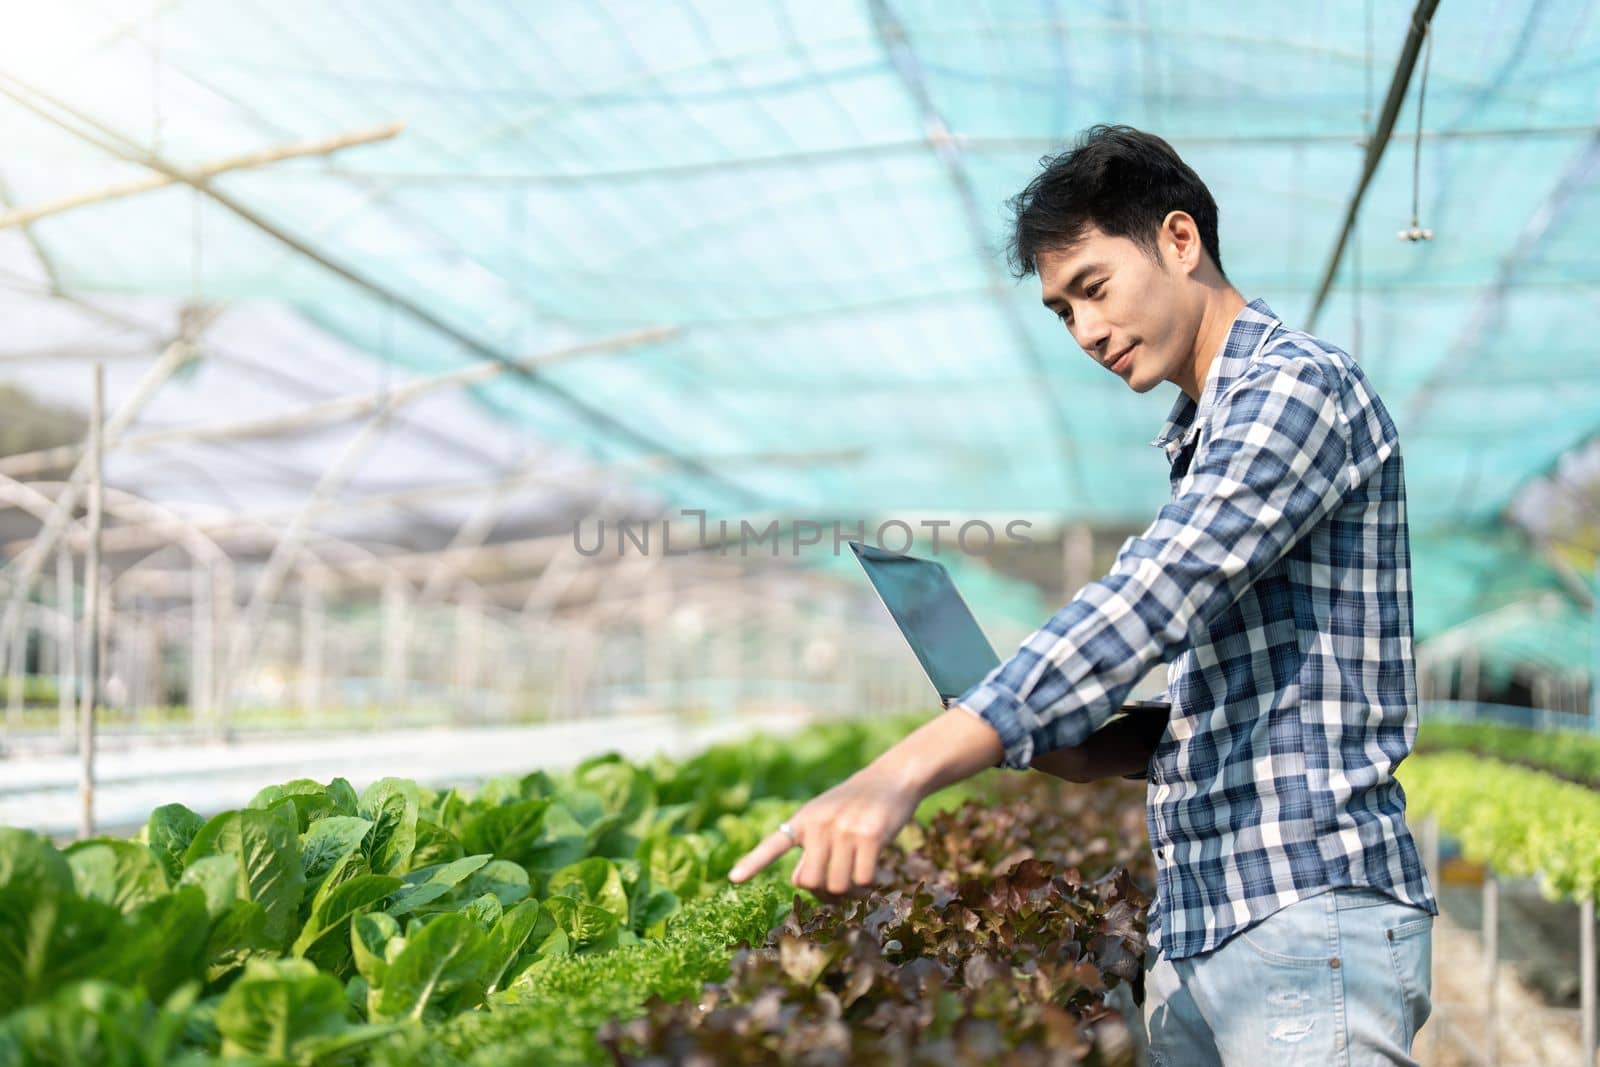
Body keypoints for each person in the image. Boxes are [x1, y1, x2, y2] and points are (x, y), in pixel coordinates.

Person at [728, 124, 1437, 1065]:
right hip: (1208, 921)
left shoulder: (1295, 389)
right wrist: (1092, 749)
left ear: (1179, 240)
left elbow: (1154, 595)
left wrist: (904, 768)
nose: (1088, 333)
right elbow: (1253, 701)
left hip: (1302, 922)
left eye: (1094, 289)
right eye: (1063, 313)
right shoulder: (1206, 431)